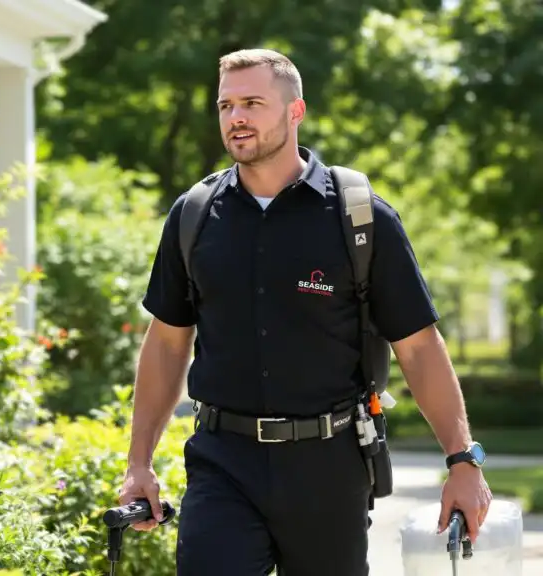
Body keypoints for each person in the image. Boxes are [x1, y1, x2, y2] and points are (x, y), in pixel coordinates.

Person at [118, 48, 493, 576]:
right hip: (222, 463)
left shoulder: (359, 216)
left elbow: (419, 346)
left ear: (296, 112)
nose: (236, 118)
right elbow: (167, 341)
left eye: (252, 103)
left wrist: (462, 460)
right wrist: (139, 464)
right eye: (226, 106)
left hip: (329, 467)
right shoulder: (195, 216)